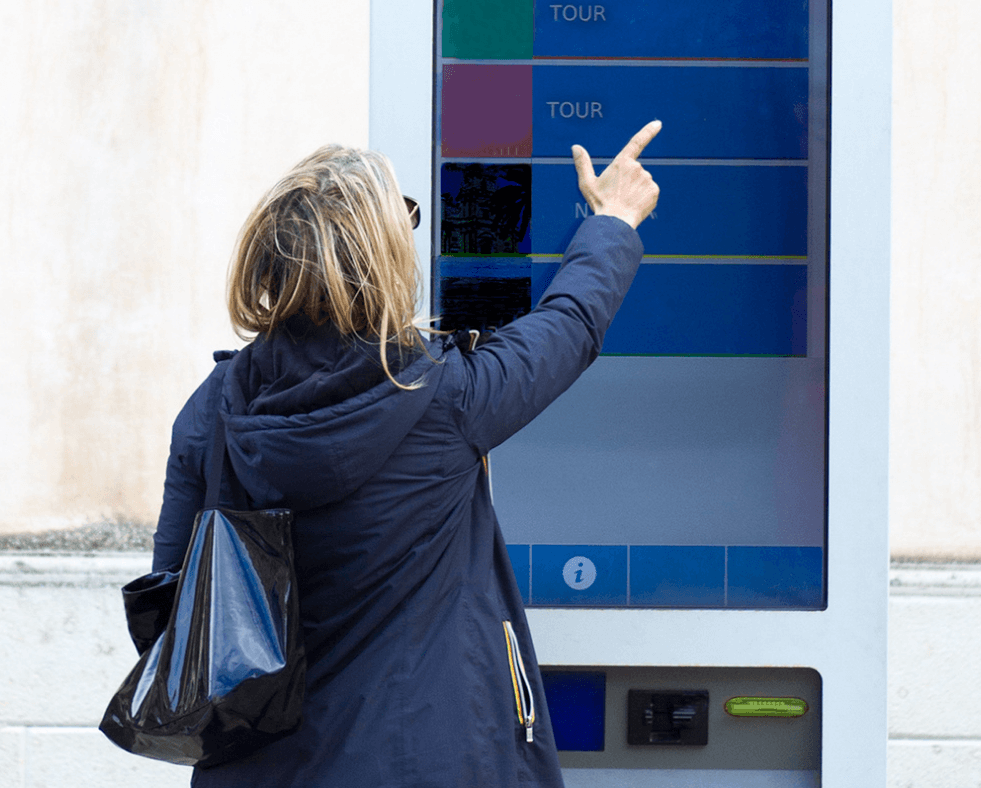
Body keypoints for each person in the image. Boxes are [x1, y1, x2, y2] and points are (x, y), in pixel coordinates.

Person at [152, 121, 664, 786]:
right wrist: (615, 219)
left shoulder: (214, 408)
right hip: (424, 762)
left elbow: (170, 603)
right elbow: (570, 324)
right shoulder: (442, 398)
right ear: (383, 262)